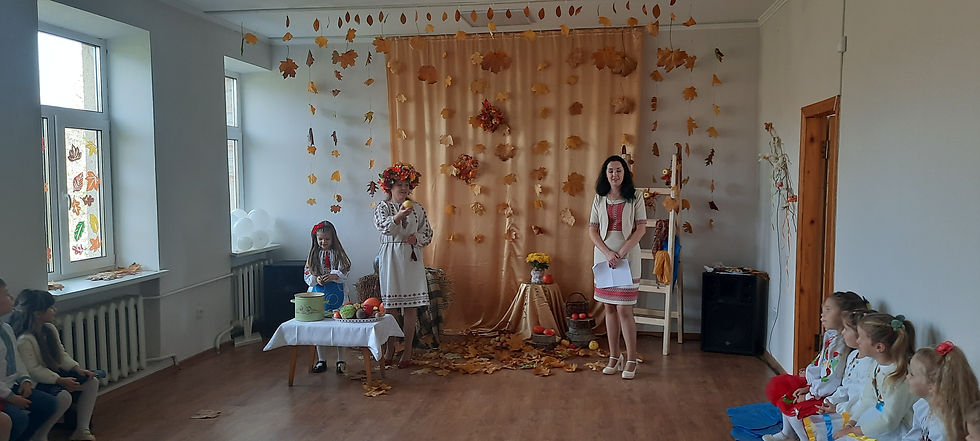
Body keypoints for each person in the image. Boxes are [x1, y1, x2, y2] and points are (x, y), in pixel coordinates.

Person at [763, 292, 868, 440]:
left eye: (828, 310)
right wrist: (809, 382)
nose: (822, 315)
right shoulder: (831, 336)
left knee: (796, 411)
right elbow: (821, 362)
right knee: (786, 394)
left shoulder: (842, 344)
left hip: (827, 392)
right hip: (819, 387)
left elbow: (833, 379)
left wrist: (809, 394)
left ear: (844, 315)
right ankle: (787, 434)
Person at [11, 290, 99, 441]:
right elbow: (33, 370)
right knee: (63, 397)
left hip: (53, 374)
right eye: (50, 308)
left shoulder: (49, 329)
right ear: (38, 313)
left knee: (91, 382)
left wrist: (77, 369)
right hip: (36, 381)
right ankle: (40, 435)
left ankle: (82, 430)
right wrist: (60, 380)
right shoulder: (24, 339)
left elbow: (61, 355)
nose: (54, 310)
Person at [588, 155, 646, 380]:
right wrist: (607, 253)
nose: (615, 174)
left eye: (619, 170)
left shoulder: (636, 196)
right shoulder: (599, 197)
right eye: (610, 170)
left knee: (624, 309)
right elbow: (592, 230)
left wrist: (620, 254)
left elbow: (640, 229)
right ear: (605, 174)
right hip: (604, 259)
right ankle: (614, 356)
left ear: (625, 173)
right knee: (609, 308)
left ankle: (631, 359)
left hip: (627, 258)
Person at [374, 163, 433, 368]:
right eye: (399, 184)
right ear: (389, 186)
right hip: (390, 257)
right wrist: (399, 216)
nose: (403, 188)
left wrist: (417, 239)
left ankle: (407, 350)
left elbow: (428, 233)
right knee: (390, 307)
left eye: (407, 185)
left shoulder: (418, 208)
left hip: (410, 258)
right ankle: (390, 348)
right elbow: (384, 228)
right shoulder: (382, 207)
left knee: (410, 306)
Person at [0, 279, 69, 441]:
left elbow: (16, 359)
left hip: (13, 385)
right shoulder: (22, 337)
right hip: (3, 392)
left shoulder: (6, 328)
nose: (12, 297)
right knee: (19, 419)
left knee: (50, 404)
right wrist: (11, 397)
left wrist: (25, 380)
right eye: (6, 294)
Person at [834, 313, 917, 440]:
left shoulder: (898, 376)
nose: (857, 341)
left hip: (898, 429)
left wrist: (855, 430)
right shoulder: (876, 365)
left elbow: (889, 420)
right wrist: (852, 422)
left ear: (879, 347)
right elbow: (868, 399)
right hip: (878, 419)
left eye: (861, 337)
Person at [903, 341, 979, 441]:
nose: (907, 376)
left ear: (931, 386)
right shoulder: (922, 405)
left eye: (912, 374)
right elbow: (914, 435)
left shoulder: (944, 429)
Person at [304, 220, 352, 374]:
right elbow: (307, 273)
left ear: (333, 239)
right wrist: (316, 278)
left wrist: (334, 276)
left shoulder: (339, 255)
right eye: (320, 239)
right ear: (316, 239)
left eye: (327, 239)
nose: (323, 242)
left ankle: (341, 360)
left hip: (337, 293)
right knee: (319, 327)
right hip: (318, 294)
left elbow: (345, 270)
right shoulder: (313, 256)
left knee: (340, 328)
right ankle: (321, 360)